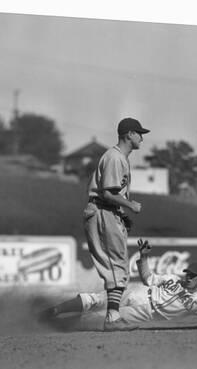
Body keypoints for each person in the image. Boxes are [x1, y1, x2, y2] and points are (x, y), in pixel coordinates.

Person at [41, 239, 197, 327]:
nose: (188, 277)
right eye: (187, 273)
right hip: (138, 291)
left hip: (144, 312)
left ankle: (56, 325)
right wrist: (144, 257)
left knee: (97, 318)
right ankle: (54, 311)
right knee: (95, 299)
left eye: (192, 275)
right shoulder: (173, 278)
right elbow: (148, 277)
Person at [83, 118, 149, 331]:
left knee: (117, 266)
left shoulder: (118, 157)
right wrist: (130, 205)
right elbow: (108, 193)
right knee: (117, 266)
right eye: (139, 133)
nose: (141, 137)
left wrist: (122, 213)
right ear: (128, 134)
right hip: (103, 211)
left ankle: (113, 315)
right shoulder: (115, 157)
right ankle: (112, 318)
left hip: (107, 211)